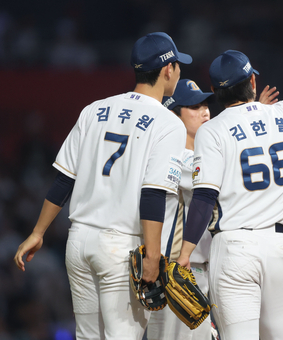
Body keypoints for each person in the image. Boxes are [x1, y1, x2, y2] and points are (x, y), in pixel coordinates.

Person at [13, 32, 190, 340]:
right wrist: (152, 254)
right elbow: (152, 194)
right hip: (120, 246)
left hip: (79, 241)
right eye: (177, 65)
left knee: (87, 336)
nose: (179, 70)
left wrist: (38, 232)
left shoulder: (95, 109)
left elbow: (63, 179)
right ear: (167, 69)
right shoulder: (167, 123)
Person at [175, 11, 283, 340]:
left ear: (216, 92)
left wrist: (185, 253)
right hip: (279, 245)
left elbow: (203, 197)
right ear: (254, 83)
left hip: (234, 247)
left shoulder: (212, 131)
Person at [147, 78, 215, 340]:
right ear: (174, 114)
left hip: (205, 267)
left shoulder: (206, 153)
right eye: (194, 106)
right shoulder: (176, 157)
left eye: (205, 104)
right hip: (179, 271)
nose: (205, 111)